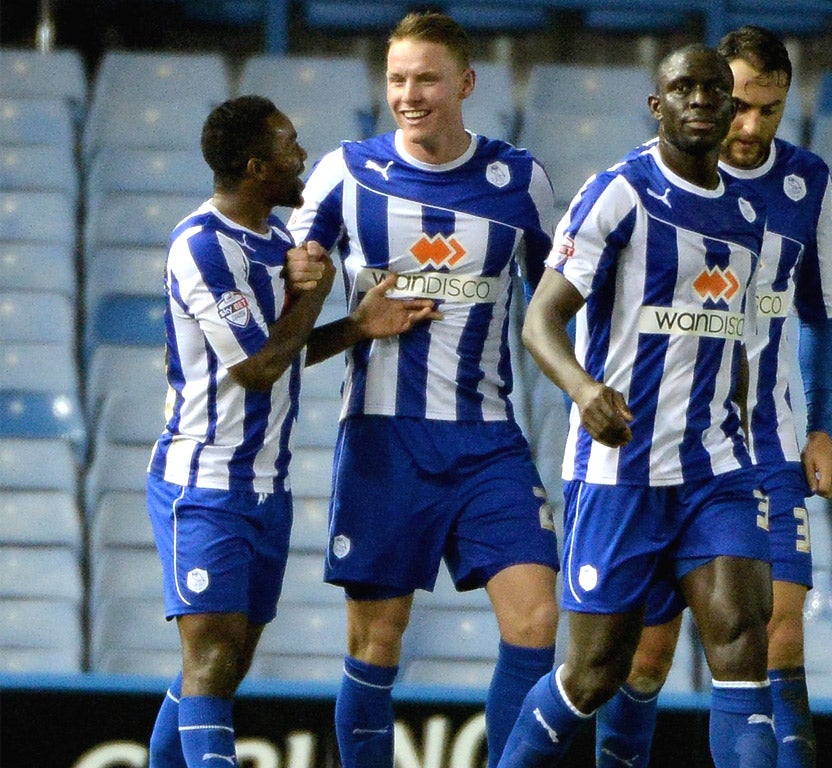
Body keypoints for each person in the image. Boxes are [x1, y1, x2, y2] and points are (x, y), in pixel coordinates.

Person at [285, 12, 561, 768]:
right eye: (398, 79)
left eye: (427, 78)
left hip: (489, 443)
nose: (409, 95)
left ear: (465, 84)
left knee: (537, 621)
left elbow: (562, 302)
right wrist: (346, 318)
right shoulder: (345, 174)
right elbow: (283, 337)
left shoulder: (517, 179)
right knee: (377, 640)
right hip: (383, 442)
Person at [495, 44, 777, 768]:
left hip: (716, 470)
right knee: (596, 675)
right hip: (620, 470)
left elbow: (736, 345)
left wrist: (745, 435)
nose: (703, 101)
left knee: (744, 646)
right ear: (658, 105)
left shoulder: (749, 214)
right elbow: (540, 320)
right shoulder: (619, 192)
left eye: (718, 91)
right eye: (684, 88)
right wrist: (585, 391)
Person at [145, 94, 438, 768]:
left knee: (225, 661)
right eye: (289, 144)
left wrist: (356, 326)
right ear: (257, 168)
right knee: (212, 657)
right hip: (204, 484)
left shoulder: (277, 244)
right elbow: (257, 367)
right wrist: (311, 293)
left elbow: (287, 346)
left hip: (264, 490)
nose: (302, 154)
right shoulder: (201, 247)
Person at [592, 26, 832, 768]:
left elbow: (821, 317)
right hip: (664, 447)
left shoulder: (808, 184)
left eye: (769, 110)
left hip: (765, 447)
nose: (750, 126)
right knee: (643, 657)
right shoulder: (650, 182)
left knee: (779, 636)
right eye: (738, 105)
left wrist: (821, 428)